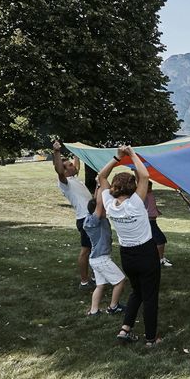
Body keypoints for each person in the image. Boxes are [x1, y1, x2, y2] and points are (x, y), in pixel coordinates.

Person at [99, 146, 162, 347]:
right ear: (132, 188)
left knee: (137, 292)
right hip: (145, 253)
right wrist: (132, 154)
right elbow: (144, 176)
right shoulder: (135, 203)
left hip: (127, 255)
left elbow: (101, 177)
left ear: (115, 188)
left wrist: (118, 157)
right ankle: (151, 339)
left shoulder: (109, 204)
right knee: (150, 296)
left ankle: (125, 329)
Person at [52, 141, 93, 289]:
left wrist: (77, 152)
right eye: (69, 165)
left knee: (94, 249)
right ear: (64, 170)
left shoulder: (74, 178)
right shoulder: (64, 182)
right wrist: (57, 152)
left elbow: (78, 165)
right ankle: (84, 281)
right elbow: (58, 170)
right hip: (85, 219)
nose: (73, 166)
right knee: (86, 250)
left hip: (90, 217)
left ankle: (94, 276)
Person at [83, 184, 126, 316]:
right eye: (103, 209)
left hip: (97, 259)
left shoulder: (96, 219)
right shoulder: (92, 222)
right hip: (101, 259)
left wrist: (98, 185)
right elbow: (99, 205)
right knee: (120, 281)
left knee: (100, 286)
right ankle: (113, 306)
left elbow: (97, 202)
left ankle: (94, 310)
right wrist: (102, 181)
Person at [145, 181, 172, 267]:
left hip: (153, 221)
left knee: (154, 241)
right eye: (148, 187)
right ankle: (160, 260)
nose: (150, 189)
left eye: (150, 187)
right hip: (149, 222)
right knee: (161, 240)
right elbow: (140, 181)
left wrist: (156, 210)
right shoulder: (143, 195)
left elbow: (152, 204)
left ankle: (158, 258)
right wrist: (135, 170)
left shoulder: (150, 193)